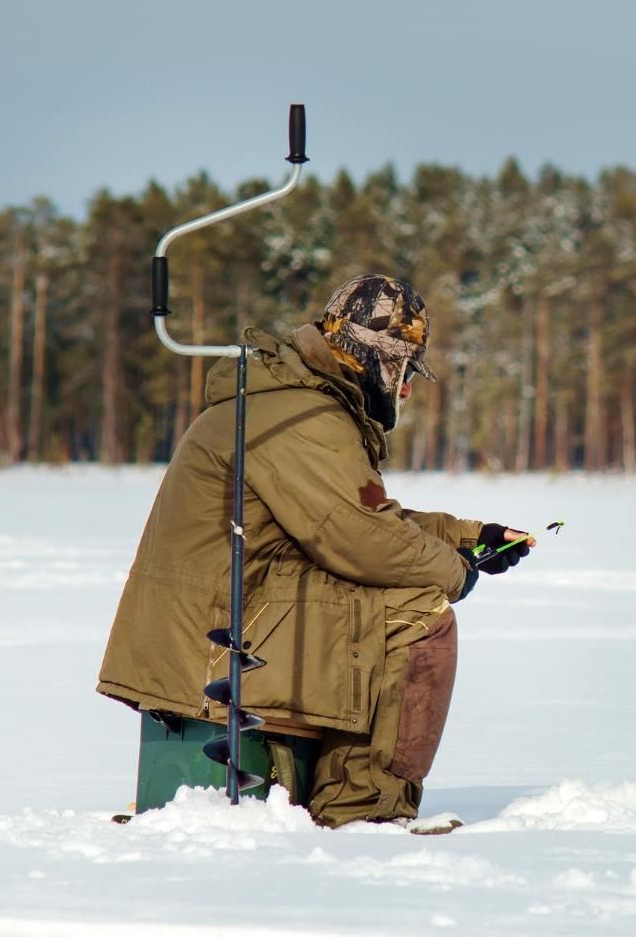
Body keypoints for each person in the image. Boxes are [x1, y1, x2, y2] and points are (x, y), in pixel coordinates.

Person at [97, 274, 533, 829]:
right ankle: (364, 811)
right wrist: (456, 571)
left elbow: (361, 511)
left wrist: (467, 536)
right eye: (403, 372)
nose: (405, 391)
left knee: (393, 596)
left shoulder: (293, 400)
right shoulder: (304, 415)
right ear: (376, 360)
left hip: (224, 618)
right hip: (219, 638)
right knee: (417, 616)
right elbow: (357, 536)